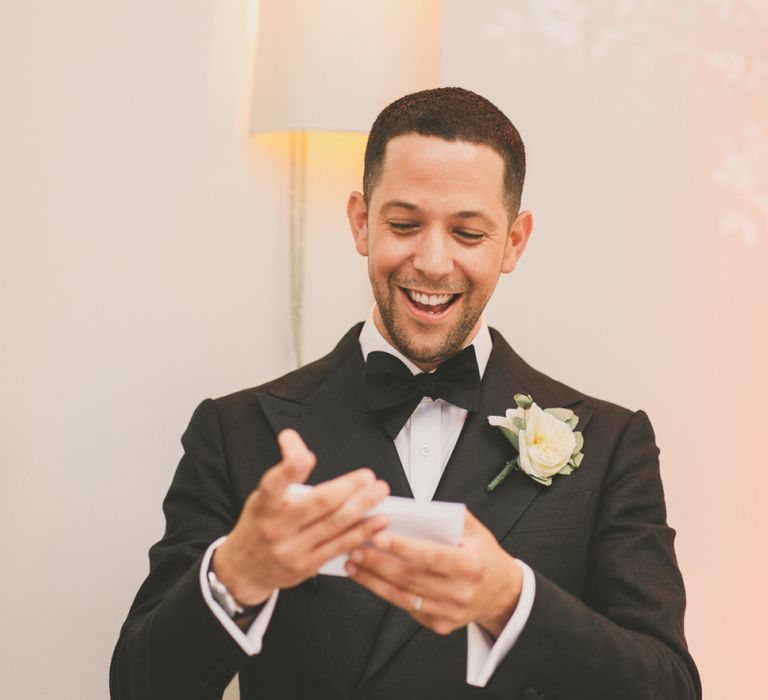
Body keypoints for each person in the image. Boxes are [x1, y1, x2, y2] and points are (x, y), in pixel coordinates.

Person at [110, 87, 701, 700]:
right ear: (361, 223)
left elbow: (670, 689)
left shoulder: (611, 444)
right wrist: (237, 575)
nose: (433, 261)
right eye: (404, 224)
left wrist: (510, 600)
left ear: (514, 242)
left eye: (468, 233)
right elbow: (139, 686)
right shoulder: (235, 431)